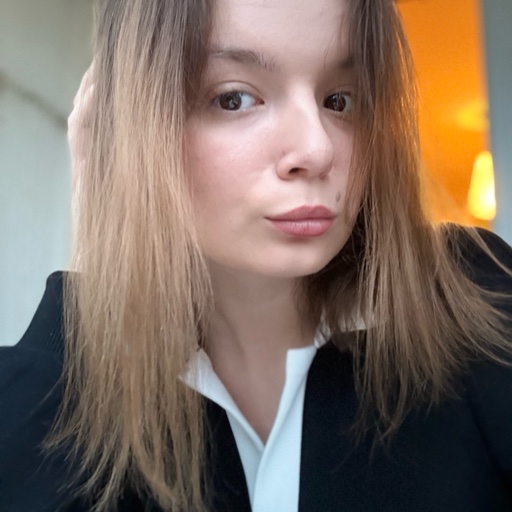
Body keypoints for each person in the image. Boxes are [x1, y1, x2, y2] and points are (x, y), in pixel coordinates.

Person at [1, 0, 512, 511]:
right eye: (235, 99)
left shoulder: (471, 300)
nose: (317, 149)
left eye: (339, 100)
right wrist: (103, 249)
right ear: (136, 129)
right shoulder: (51, 386)